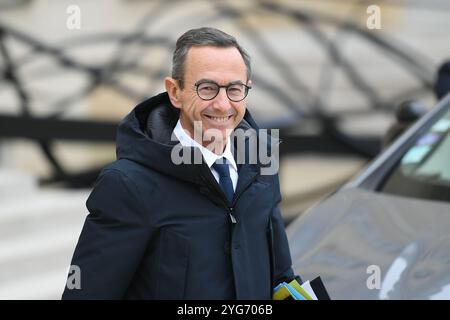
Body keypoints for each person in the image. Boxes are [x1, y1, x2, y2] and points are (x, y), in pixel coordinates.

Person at [62, 27, 298, 299]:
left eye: (234, 89)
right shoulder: (127, 185)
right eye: (207, 88)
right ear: (175, 92)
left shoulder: (262, 166)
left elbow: (281, 279)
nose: (223, 105)